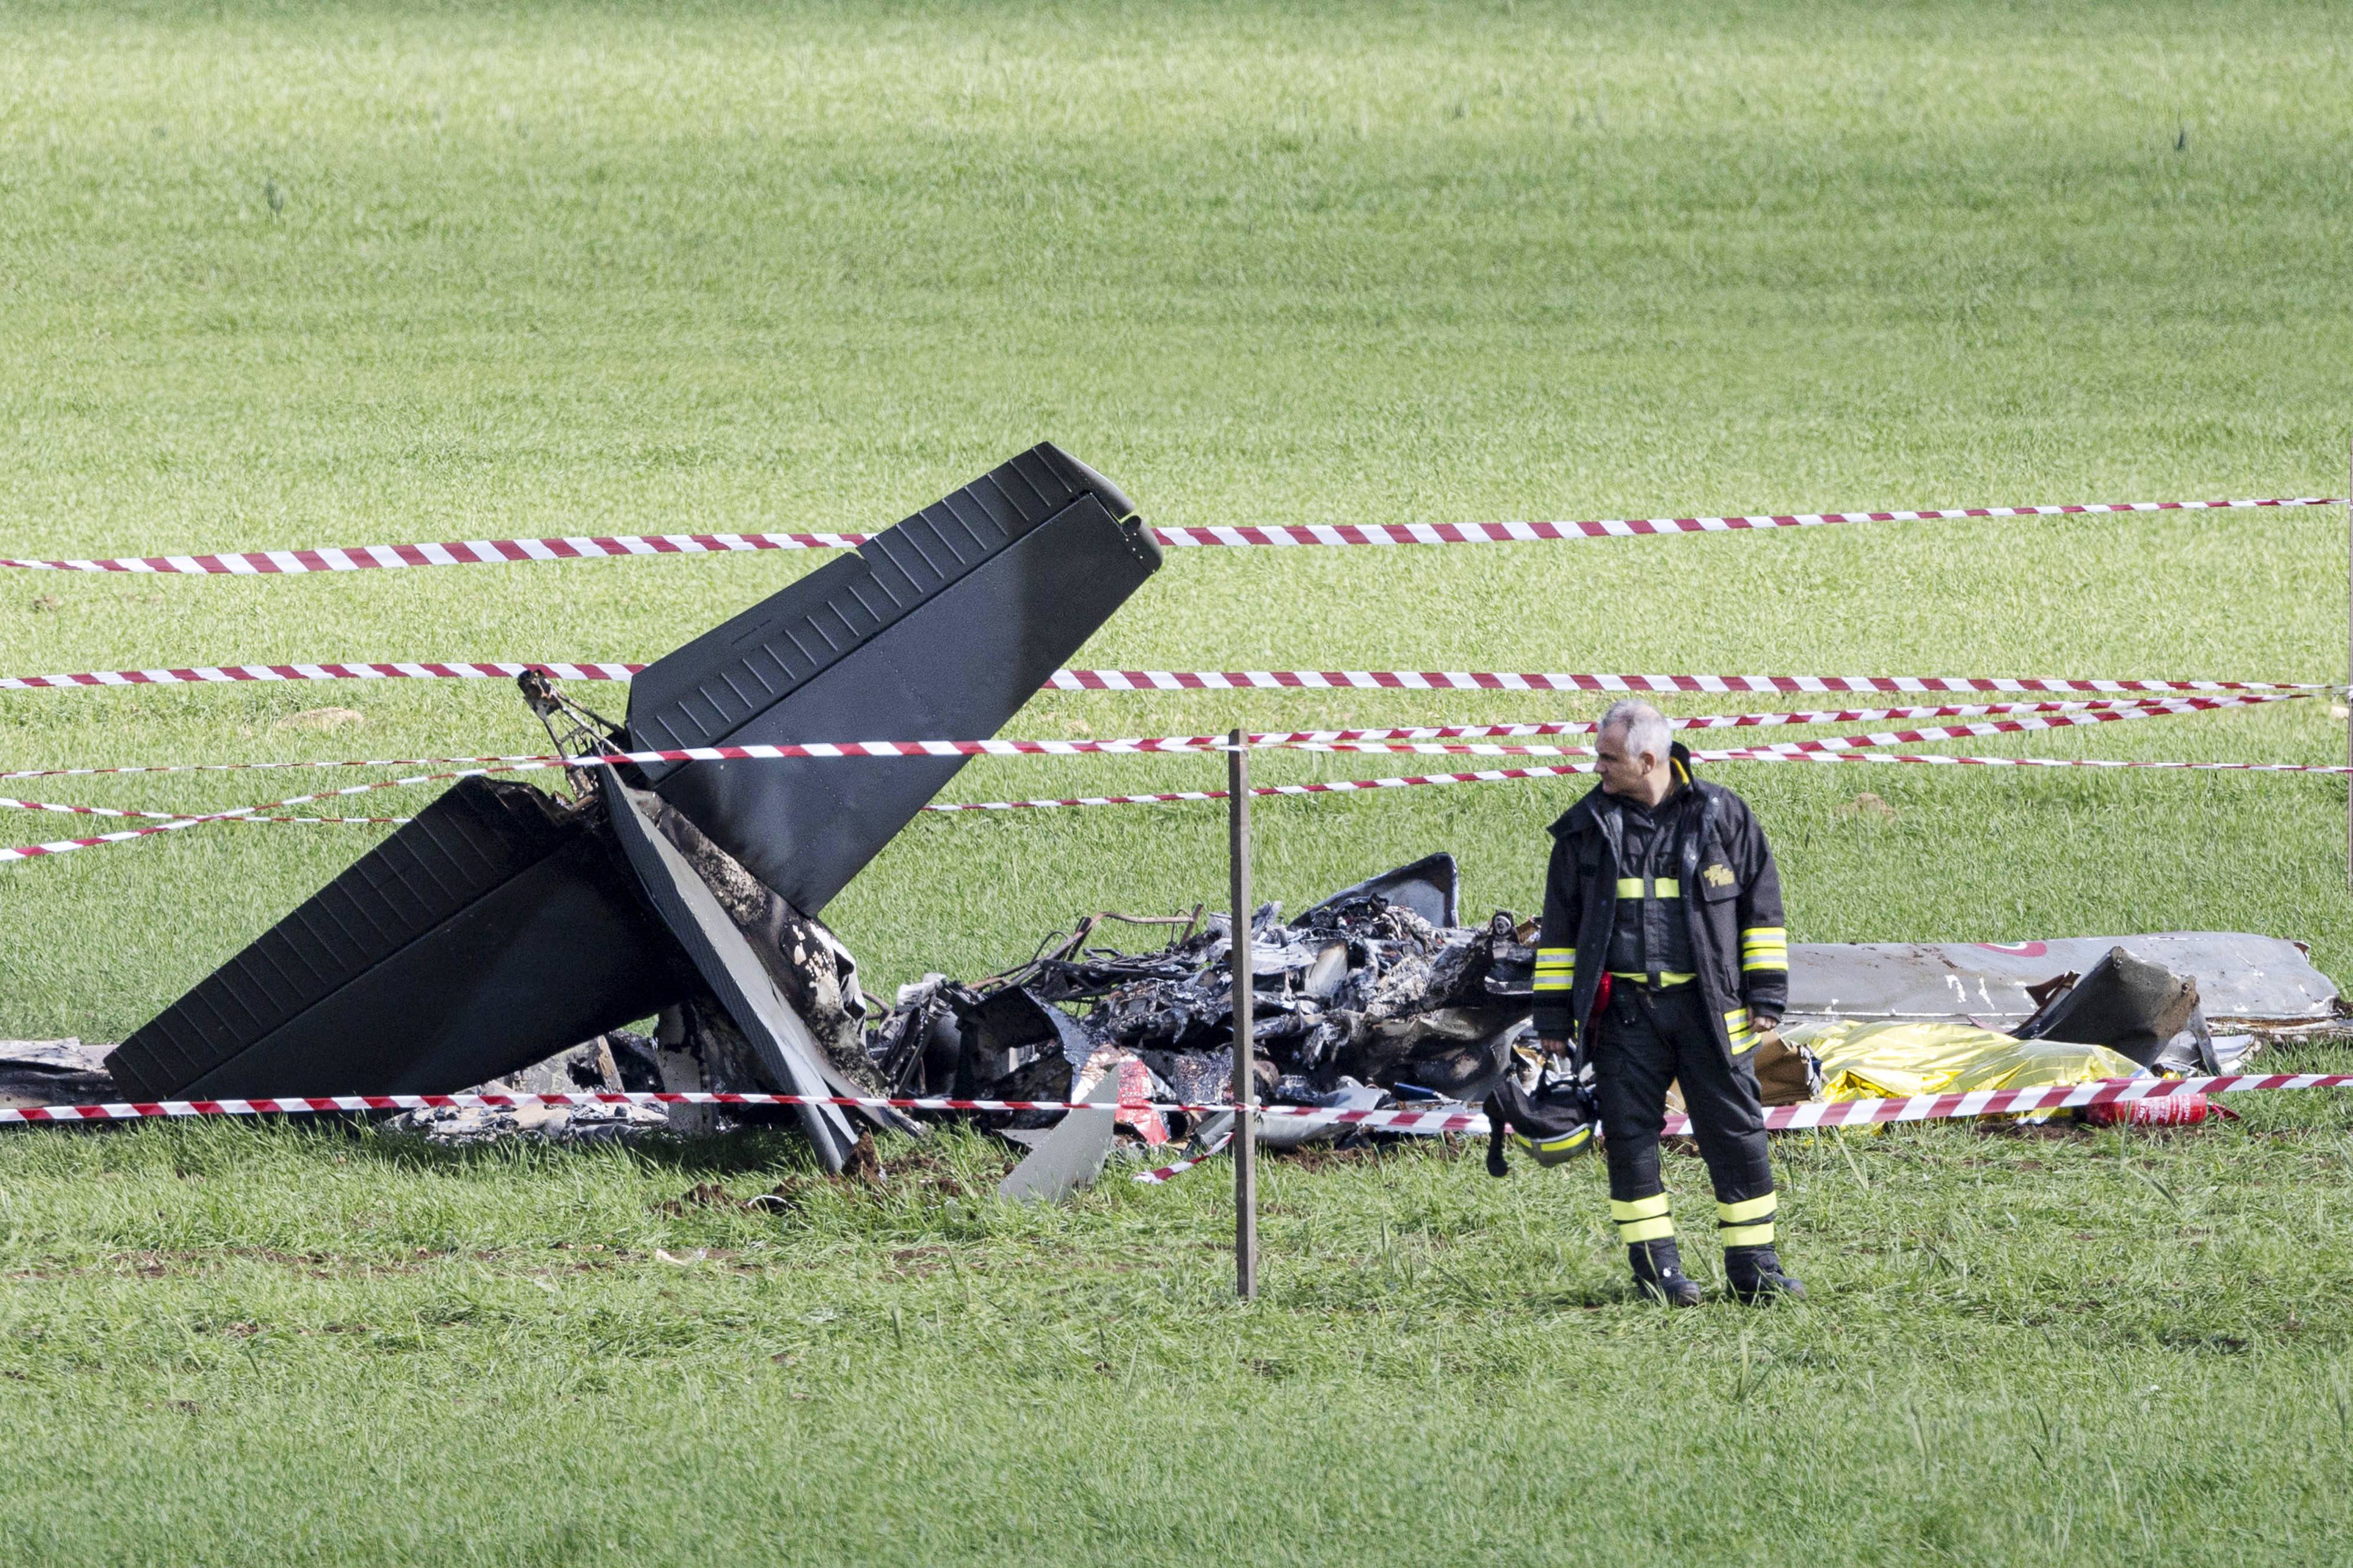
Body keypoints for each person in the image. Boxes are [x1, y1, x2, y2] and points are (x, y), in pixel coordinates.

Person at [1531, 699, 1804, 1305]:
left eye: (1607, 756)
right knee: (1629, 1142)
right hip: (1626, 1017)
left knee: (1738, 1136)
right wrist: (1552, 1017)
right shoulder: (1584, 829)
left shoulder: (1723, 815)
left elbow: (1761, 911)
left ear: (1647, 759)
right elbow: (1559, 934)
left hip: (1713, 1012)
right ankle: (1659, 1274)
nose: (1595, 766)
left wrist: (1765, 994)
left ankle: (1754, 1269)